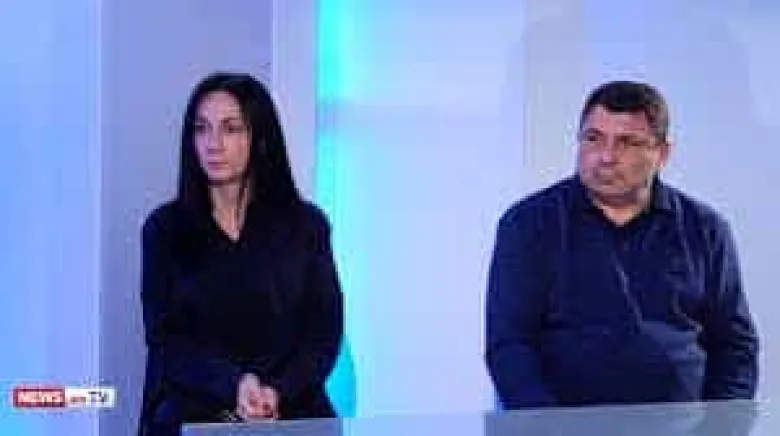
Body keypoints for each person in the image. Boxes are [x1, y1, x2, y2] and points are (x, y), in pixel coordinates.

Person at [485, 80, 758, 409]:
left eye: (627, 142)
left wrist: (721, 427)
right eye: (593, 138)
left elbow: (734, 345)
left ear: (662, 154)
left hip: (680, 425)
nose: (605, 157)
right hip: (561, 425)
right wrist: (548, 427)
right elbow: (509, 347)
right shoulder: (528, 224)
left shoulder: (705, 229)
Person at [138, 72, 343, 435]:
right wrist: (235, 385)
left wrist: (275, 392)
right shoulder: (165, 229)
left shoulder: (306, 227)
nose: (213, 144)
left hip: (293, 412)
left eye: (230, 129)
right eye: (201, 129)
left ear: (260, 138)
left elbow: (322, 335)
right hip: (196, 416)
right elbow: (166, 341)